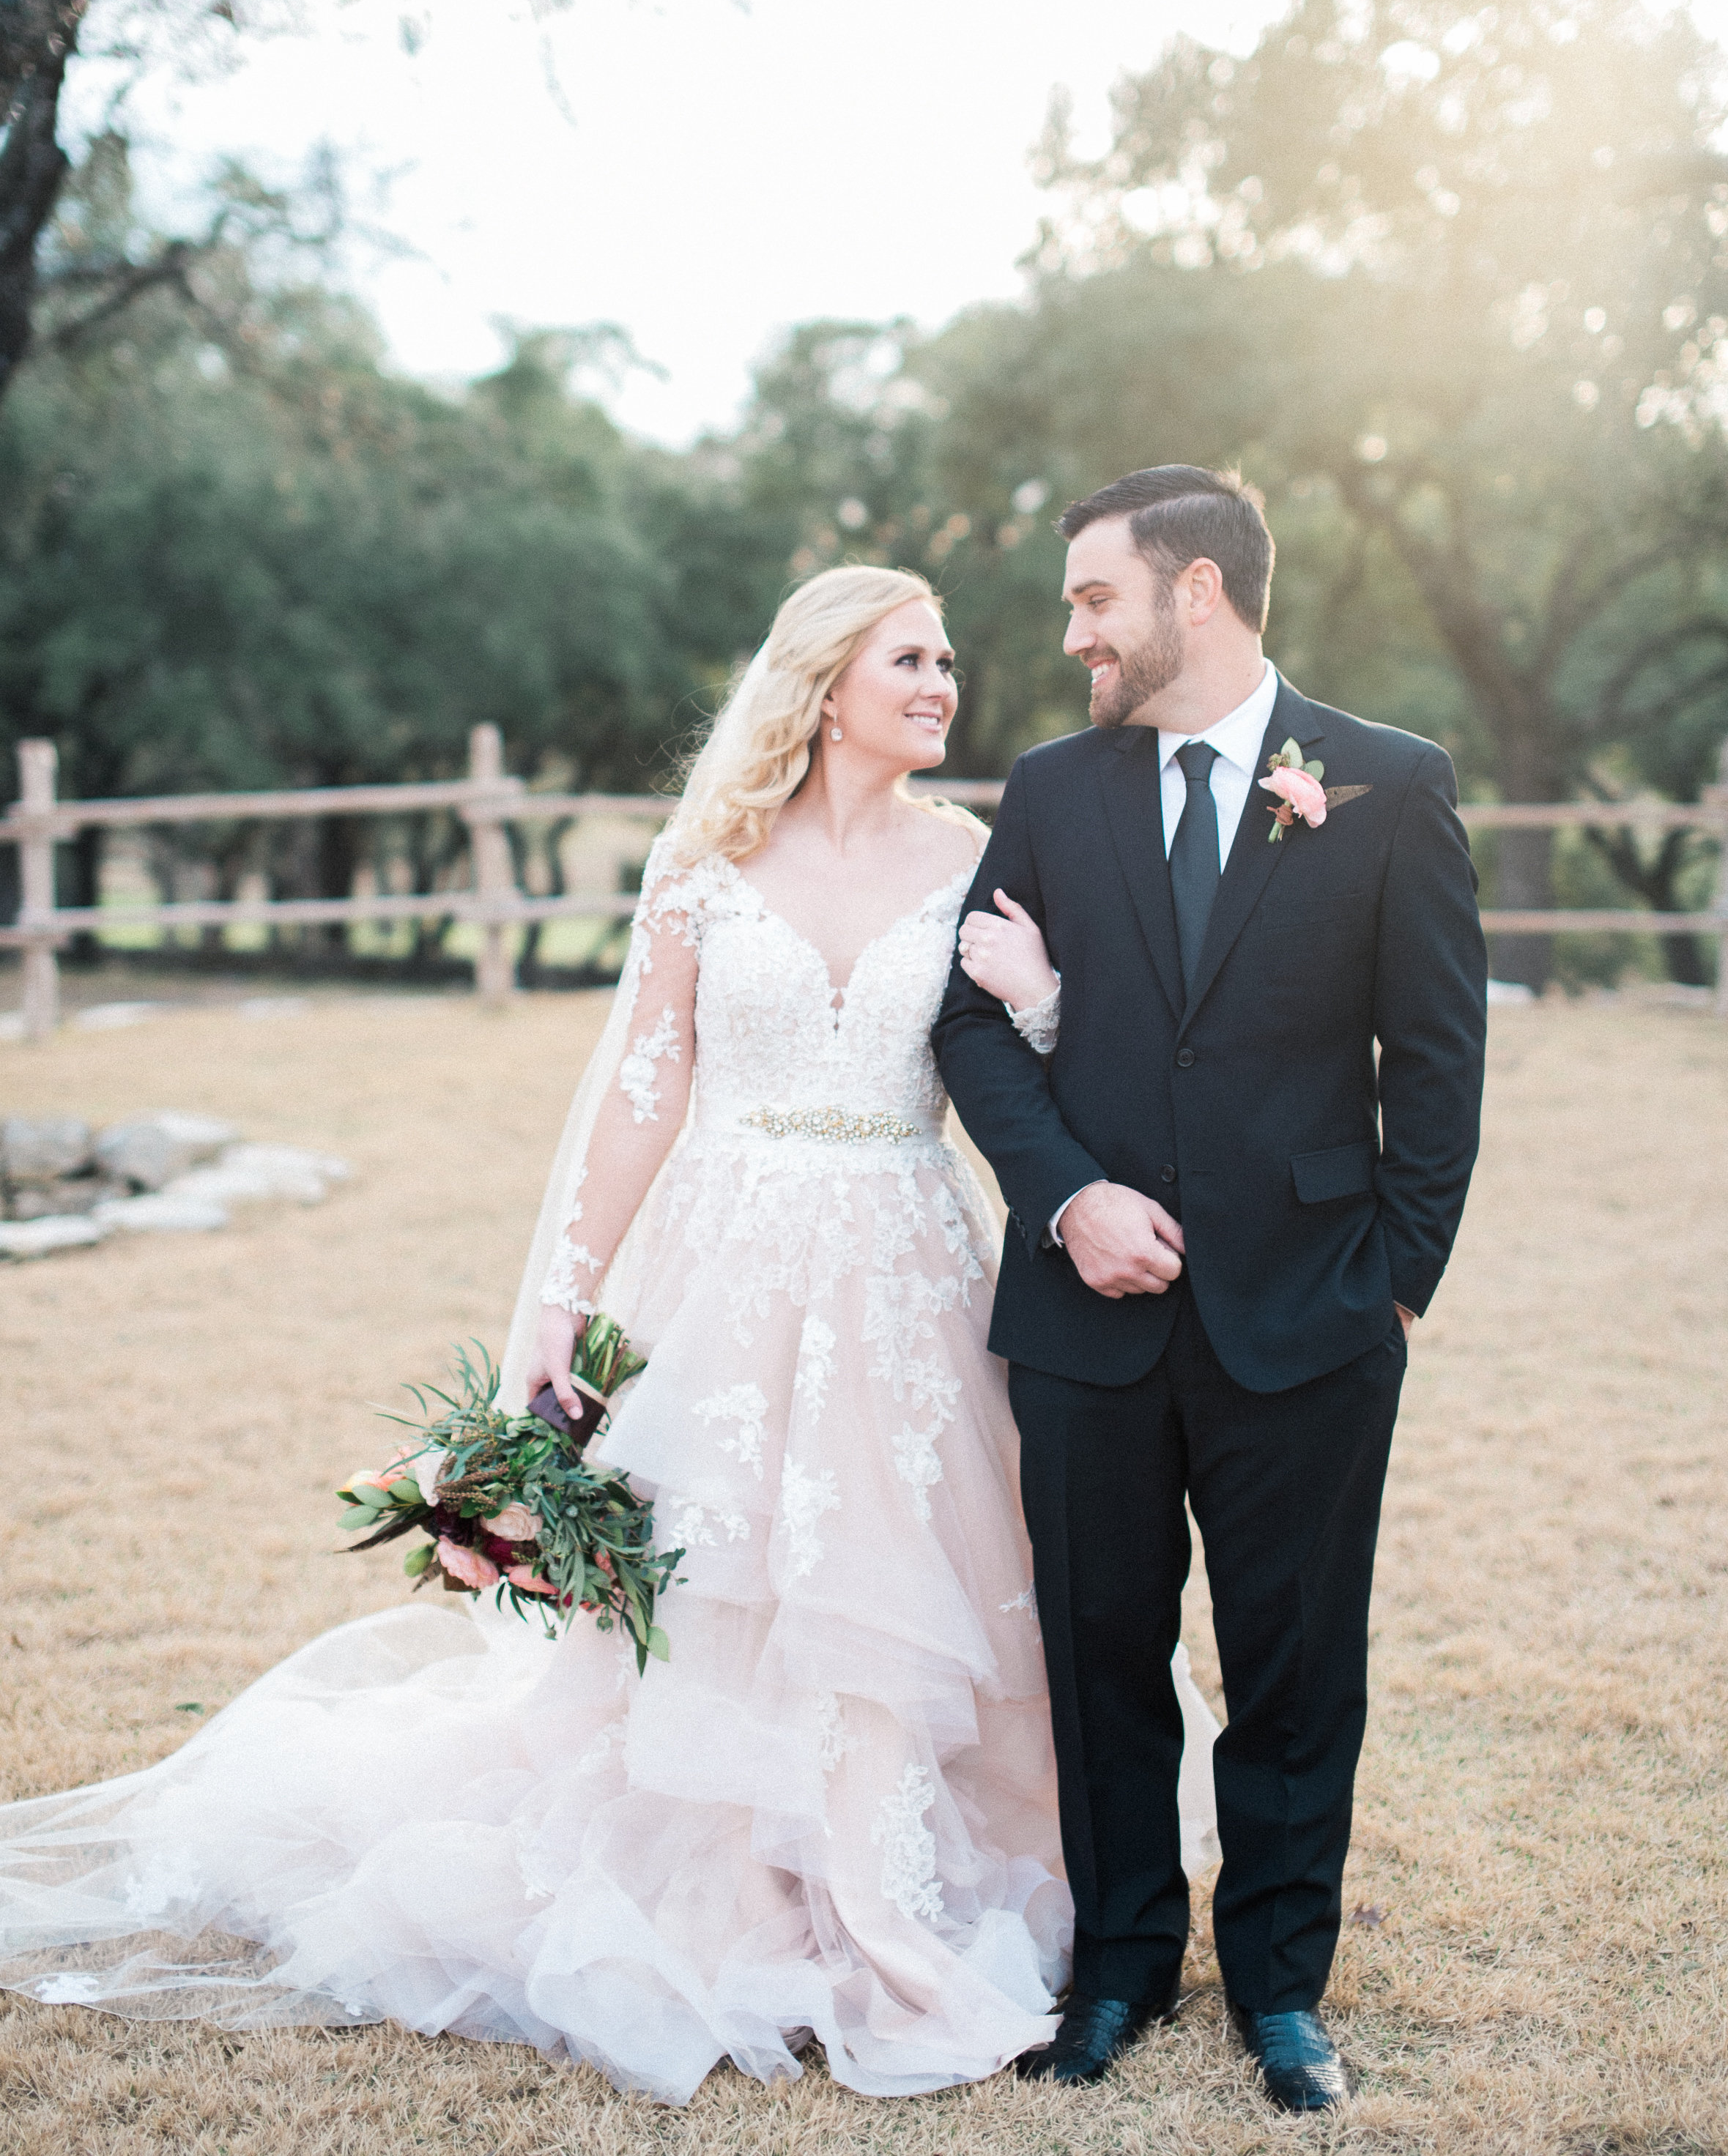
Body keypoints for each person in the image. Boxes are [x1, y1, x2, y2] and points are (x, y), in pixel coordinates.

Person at [0, 563, 1219, 2105]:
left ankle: (882, 1887)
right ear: (826, 680)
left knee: (895, 1582)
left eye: (949, 658)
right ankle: (728, 1884)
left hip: (907, 1275)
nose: (944, 680)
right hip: (723, 1264)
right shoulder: (707, 863)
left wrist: (1043, 1006)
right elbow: (643, 1089)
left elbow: (1020, 1081)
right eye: (909, 656)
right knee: (718, 1580)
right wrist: (554, 1307)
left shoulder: (978, 860)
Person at [935, 467, 1487, 2108]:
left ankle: (1279, 1991)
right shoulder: (1046, 789)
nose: (1070, 632)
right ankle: (1114, 1977)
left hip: (1311, 1312)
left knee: (1296, 1663)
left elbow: (1438, 1059)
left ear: (1197, 594)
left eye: (1094, 597)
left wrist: (1393, 1284)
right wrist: (1067, 1197)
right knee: (1099, 1652)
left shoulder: (1389, 782)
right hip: (1087, 1322)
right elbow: (969, 1020)